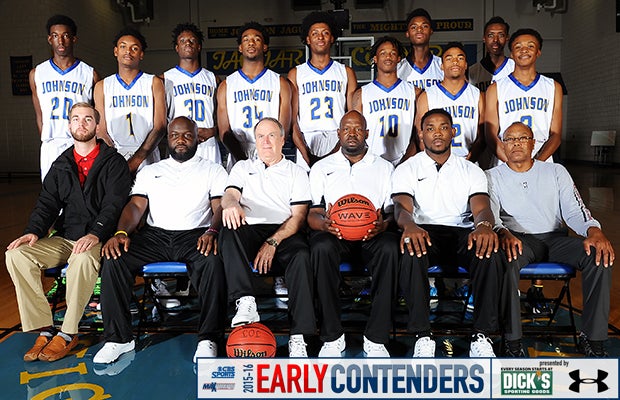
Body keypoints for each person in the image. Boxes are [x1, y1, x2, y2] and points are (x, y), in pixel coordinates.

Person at [93, 116, 228, 364]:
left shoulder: (213, 169)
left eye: (187, 135)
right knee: (114, 259)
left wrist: (213, 231)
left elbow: (219, 207)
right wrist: (121, 233)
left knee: (213, 261)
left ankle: (208, 338)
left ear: (197, 138)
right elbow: (135, 205)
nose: (181, 139)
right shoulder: (151, 171)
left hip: (195, 234)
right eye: (175, 134)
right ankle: (118, 339)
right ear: (167, 139)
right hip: (155, 236)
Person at [5, 102, 130, 362]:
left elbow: (115, 204)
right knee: (17, 254)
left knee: (82, 258)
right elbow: (47, 203)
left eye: (87, 119)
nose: (81, 124)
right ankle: (45, 327)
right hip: (67, 237)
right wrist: (33, 231)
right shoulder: (61, 163)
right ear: (69, 125)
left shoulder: (113, 162)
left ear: (97, 125)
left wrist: (96, 233)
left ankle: (67, 331)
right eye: (75, 119)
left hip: (99, 238)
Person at [486, 122, 615, 357]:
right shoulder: (491, 176)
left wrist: (593, 230)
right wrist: (503, 233)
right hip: (519, 240)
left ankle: (593, 338)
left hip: (555, 239)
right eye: (510, 139)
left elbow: (575, 210)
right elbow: (492, 216)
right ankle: (512, 340)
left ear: (534, 143)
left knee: (599, 255)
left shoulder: (555, 171)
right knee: (504, 259)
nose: (516, 143)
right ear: (502, 145)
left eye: (522, 138)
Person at [392, 108, 503, 358]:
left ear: (453, 132)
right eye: (430, 128)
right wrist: (409, 226)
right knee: (410, 249)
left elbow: (482, 208)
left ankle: (482, 336)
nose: (437, 133)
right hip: (424, 231)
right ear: (421, 135)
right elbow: (401, 207)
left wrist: (484, 227)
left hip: (462, 232)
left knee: (490, 252)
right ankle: (422, 335)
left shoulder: (471, 169)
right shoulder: (408, 168)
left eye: (443, 127)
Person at [219, 117, 315, 357]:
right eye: (261, 136)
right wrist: (231, 204)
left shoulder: (297, 172)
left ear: (283, 140)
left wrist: (273, 241)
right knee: (228, 231)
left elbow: (299, 217)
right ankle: (246, 301)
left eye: (272, 135)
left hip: (284, 231)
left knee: (302, 255)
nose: (266, 141)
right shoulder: (242, 167)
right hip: (249, 229)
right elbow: (229, 195)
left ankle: (299, 336)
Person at [308, 110, 398, 357]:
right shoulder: (321, 167)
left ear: (367, 134)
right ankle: (332, 336)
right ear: (338, 134)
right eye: (346, 129)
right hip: (335, 234)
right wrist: (324, 225)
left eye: (358, 129)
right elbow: (313, 213)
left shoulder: (385, 167)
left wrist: (385, 226)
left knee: (391, 248)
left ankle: (376, 338)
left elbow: (392, 213)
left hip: (373, 234)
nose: (352, 134)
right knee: (320, 247)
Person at [29, 15, 101, 180]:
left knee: (80, 196)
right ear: (49, 39)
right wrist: (48, 138)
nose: (60, 41)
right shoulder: (37, 74)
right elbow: (40, 115)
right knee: (52, 198)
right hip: (51, 144)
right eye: (55, 36)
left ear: (74, 39)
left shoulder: (90, 74)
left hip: (79, 143)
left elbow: (97, 115)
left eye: (66, 35)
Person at [288, 11, 358, 170]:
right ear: (307, 39)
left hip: (337, 137)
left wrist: (339, 147)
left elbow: (353, 115)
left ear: (332, 38)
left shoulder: (346, 72)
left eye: (325, 33)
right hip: (307, 137)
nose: (320, 37)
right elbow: (292, 121)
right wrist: (304, 152)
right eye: (315, 33)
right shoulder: (296, 73)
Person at [217, 22, 291, 168]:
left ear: (264, 47)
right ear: (240, 48)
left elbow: (283, 130)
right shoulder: (226, 85)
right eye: (246, 39)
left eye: (257, 39)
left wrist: (268, 156)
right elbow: (224, 131)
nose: (251, 42)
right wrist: (242, 160)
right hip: (238, 152)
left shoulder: (280, 83)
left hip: (271, 153)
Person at [94, 26, 166, 174]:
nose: (128, 51)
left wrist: (136, 160)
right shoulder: (102, 86)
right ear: (115, 51)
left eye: (134, 48)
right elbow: (101, 130)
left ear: (141, 55)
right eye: (123, 47)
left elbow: (160, 127)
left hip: (148, 154)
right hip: (115, 155)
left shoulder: (154, 82)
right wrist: (115, 159)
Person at [485, 28, 563, 164]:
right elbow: (490, 135)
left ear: (538, 52)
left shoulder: (553, 87)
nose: (524, 50)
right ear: (511, 54)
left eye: (530, 46)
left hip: (542, 161)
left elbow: (556, 135)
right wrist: (511, 163)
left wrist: (536, 165)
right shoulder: (495, 88)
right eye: (518, 46)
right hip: (505, 162)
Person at [352, 36, 420, 165]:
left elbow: (418, 135)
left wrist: (406, 161)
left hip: (407, 161)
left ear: (399, 58)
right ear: (375, 59)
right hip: (372, 162)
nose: (388, 57)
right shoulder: (361, 94)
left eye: (393, 53)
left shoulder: (414, 92)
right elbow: (356, 134)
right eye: (383, 53)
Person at [162, 22, 221, 165]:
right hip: (179, 145)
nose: (187, 43)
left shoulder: (213, 78)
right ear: (177, 48)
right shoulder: (165, 79)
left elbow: (223, 116)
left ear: (199, 47)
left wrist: (213, 131)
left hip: (208, 145)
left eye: (192, 40)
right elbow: (159, 120)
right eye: (182, 41)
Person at [416, 42, 484, 162]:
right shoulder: (427, 96)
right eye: (449, 58)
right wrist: (435, 160)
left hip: (468, 161)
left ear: (466, 65)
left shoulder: (477, 95)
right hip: (436, 162)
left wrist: (471, 159)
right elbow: (420, 135)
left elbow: (483, 136)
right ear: (441, 66)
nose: (455, 62)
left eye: (460, 58)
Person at [397, 8, 443, 90]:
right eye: (414, 27)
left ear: (431, 31)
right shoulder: (398, 67)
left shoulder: (442, 65)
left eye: (424, 26)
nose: (419, 30)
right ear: (407, 33)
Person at [468, 16, 514, 92]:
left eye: (501, 35)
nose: (495, 40)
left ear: (507, 37)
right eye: (490, 35)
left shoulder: (515, 68)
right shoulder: (472, 72)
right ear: (484, 38)